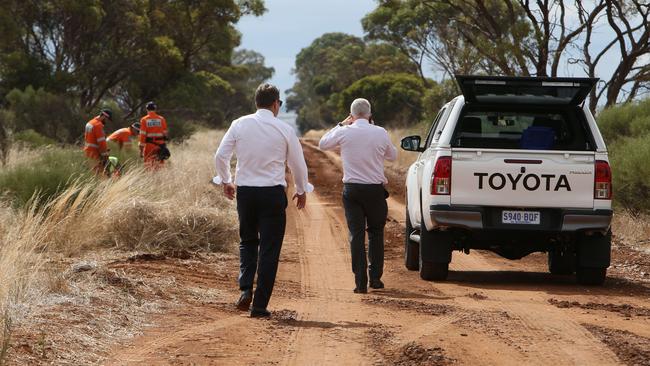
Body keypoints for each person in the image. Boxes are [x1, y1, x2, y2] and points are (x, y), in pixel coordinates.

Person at [213, 83, 313, 318]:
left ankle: (245, 288)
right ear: (276, 103)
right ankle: (259, 305)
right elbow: (297, 164)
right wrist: (301, 189)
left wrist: (226, 180)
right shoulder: (284, 129)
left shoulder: (239, 124)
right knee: (269, 249)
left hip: (246, 192)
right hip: (272, 194)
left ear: (256, 102)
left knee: (248, 241)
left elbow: (221, 155)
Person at [318, 98, 397, 293]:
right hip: (374, 191)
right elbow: (393, 156)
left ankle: (360, 282)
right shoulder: (380, 132)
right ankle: (375, 279)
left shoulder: (345, 131)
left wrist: (341, 124)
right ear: (370, 114)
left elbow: (323, 144)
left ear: (351, 116)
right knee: (376, 234)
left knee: (356, 235)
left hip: (352, 190)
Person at [139, 102, 168, 168]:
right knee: (160, 166)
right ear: (155, 109)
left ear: (147, 109)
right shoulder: (161, 119)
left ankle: (151, 178)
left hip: (149, 146)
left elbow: (142, 135)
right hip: (160, 145)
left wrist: (141, 150)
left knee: (149, 166)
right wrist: (164, 145)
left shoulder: (144, 120)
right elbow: (165, 134)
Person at [84, 109, 112, 174]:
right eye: (107, 119)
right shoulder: (98, 125)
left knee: (91, 173)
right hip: (95, 153)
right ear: (104, 117)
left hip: (87, 151)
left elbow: (90, 138)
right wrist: (104, 154)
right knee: (100, 175)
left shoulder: (90, 122)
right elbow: (101, 142)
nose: (106, 121)